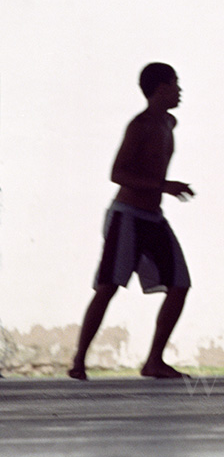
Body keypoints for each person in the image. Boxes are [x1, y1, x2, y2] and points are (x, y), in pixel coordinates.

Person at [68, 63, 194, 381]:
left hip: (153, 217)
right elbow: (118, 173)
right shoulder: (141, 125)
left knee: (179, 284)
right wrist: (163, 186)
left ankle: (154, 361)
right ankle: (79, 360)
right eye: (175, 84)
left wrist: (163, 189)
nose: (180, 90)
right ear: (161, 89)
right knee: (108, 286)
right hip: (128, 216)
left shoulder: (169, 122)